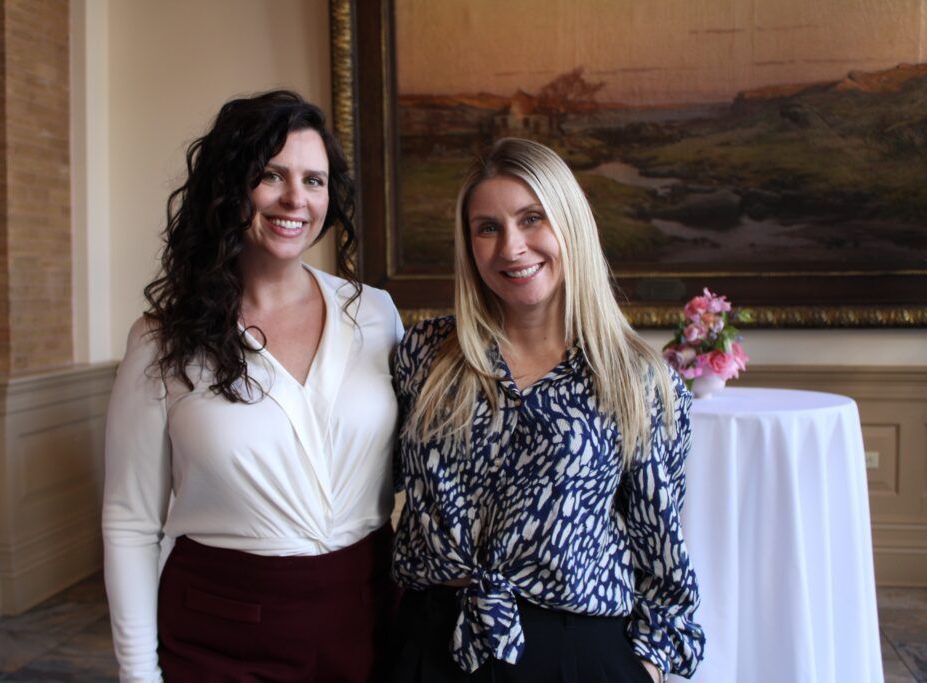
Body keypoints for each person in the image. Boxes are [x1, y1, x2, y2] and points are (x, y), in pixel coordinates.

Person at [102, 91, 403, 683]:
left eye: (314, 181)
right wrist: (138, 674)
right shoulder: (163, 340)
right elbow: (130, 521)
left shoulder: (374, 314)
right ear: (228, 186)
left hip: (367, 620)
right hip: (222, 632)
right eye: (270, 175)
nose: (296, 198)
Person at [388, 138, 704, 682]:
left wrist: (646, 668)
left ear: (570, 224)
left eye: (531, 219)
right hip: (433, 641)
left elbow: (662, 551)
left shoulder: (639, 381)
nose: (511, 247)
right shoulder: (424, 355)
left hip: (574, 650)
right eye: (488, 228)